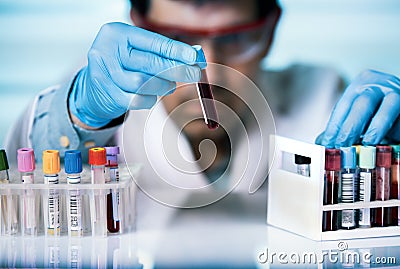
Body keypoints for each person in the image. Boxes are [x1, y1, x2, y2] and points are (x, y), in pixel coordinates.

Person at [4, 0, 400, 210]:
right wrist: (79, 116)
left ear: (271, 28)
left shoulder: (324, 94)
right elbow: (27, 202)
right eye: (174, 39)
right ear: (137, 27)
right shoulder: (100, 98)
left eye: (234, 39)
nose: (206, 72)